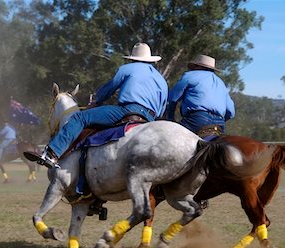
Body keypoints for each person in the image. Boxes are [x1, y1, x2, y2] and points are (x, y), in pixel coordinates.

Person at [29, 42, 168, 168]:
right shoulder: (160, 78)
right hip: (150, 119)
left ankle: (51, 154)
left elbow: (109, 88)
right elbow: (161, 109)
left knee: (80, 118)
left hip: (127, 111)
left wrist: (97, 101)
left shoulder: (127, 69)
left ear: (133, 58)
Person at [166, 54, 235, 135]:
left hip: (197, 119)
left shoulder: (189, 75)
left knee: (169, 137)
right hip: (219, 124)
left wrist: (170, 119)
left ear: (198, 66)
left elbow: (172, 98)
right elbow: (231, 112)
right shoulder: (221, 83)